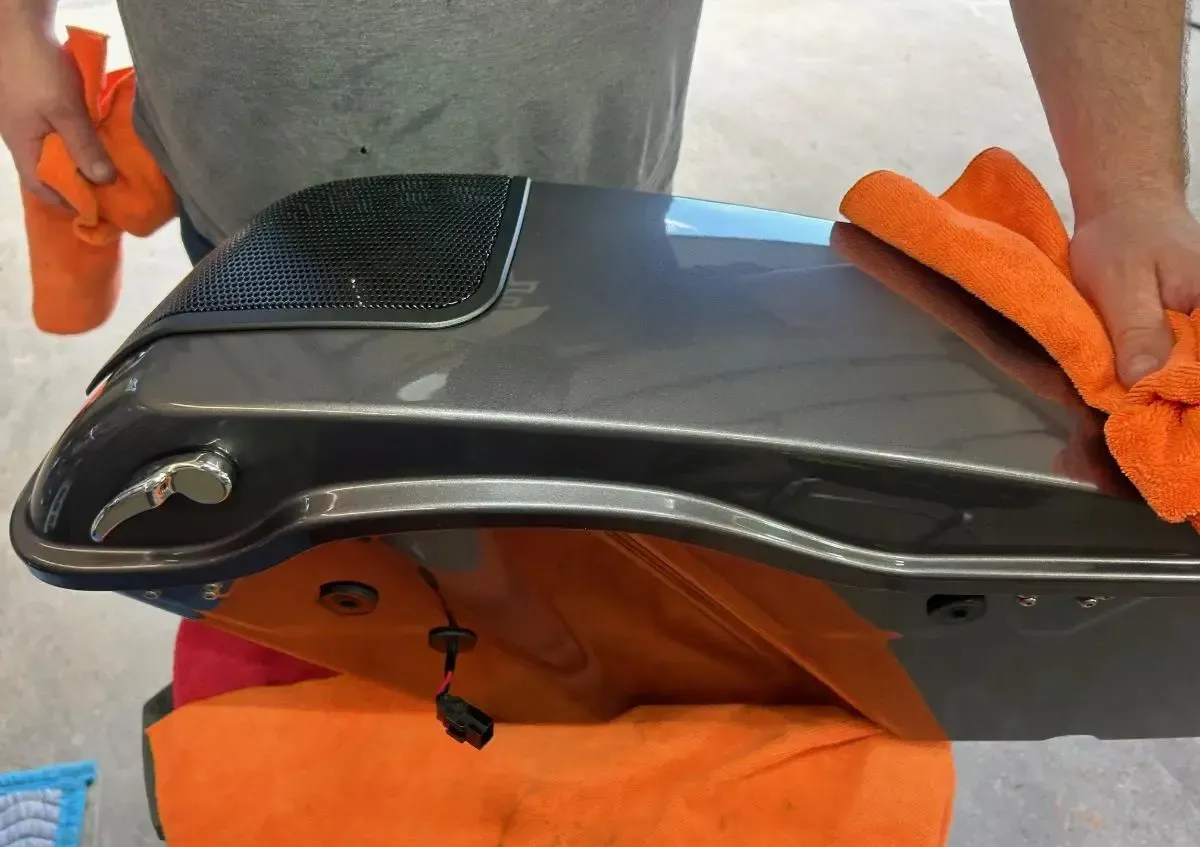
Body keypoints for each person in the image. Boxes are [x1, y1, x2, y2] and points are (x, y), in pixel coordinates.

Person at [0, 0, 1195, 386]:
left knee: (549, 569)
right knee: (304, 551)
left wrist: (1129, 189)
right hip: (244, 219)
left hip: (574, 247)